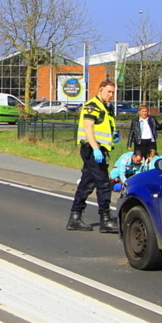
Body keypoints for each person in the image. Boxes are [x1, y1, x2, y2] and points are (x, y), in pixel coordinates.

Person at [67, 80, 119, 233]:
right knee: (103, 183)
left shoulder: (105, 107)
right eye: (109, 92)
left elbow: (103, 127)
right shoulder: (92, 106)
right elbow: (88, 128)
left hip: (97, 149)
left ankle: (75, 218)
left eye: (113, 93)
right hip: (92, 149)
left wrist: (113, 135)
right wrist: (96, 148)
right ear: (101, 89)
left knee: (87, 184)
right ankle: (105, 220)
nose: (111, 95)